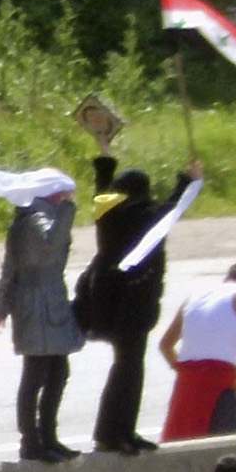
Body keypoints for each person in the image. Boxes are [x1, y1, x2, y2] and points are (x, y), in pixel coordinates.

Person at [75, 151, 188, 454]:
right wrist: (187, 179)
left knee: (123, 368)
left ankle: (114, 432)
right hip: (134, 308)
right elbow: (175, 205)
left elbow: (101, 189)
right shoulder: (150, 218)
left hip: (105, 307)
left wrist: (103, 155)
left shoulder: (107, 216)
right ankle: (117, 432)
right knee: (130, 370)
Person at [0, 165, 83, 461]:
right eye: (64, 194)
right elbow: (48, 244)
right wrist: (68, 211)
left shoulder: (32, 217)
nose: (68, 198)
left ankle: (48, 437)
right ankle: (32, 441)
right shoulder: (36, 219)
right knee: (36, 374)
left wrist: (1, 305)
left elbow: (8, 270)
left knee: (56, 371)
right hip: (37, 303)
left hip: (48, 300)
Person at [160, 261, 236, 444]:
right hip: (218, 383)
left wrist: (184, 370)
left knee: (179, 444)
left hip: (185, 383)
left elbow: (165, 345)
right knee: (220, 447)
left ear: (227, 279)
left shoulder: (194, 297)